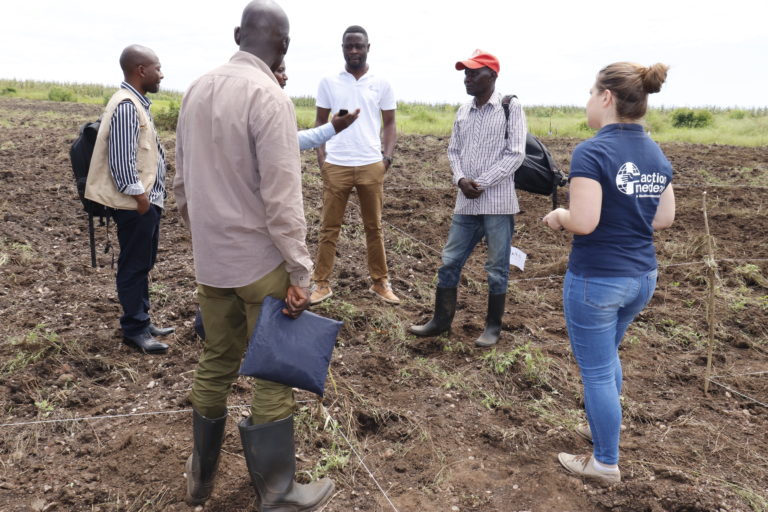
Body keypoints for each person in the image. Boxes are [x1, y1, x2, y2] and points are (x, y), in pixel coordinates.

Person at [174, 1, 334, 509]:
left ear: (238, 33)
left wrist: (203, 238)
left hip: (212, 261)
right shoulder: (270, 97)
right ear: (283, 46)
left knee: (217, 358)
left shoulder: (196, 89)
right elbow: (283, 199)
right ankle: (279, 491)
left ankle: (200, 480)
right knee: (272, 371)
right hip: (262, 263)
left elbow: (181, 183)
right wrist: (301, 270)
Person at [543, 62, 675, 484]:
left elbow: (584, 221)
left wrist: (559, 215)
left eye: (589, 93)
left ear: (606, 97)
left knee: (597, 371)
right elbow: (664, 217)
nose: (587, 103)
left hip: (597, 278)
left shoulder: (592, 151)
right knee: (607, 358)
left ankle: (603, 462)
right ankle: (604, 423)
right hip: (642, 278)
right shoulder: (654, 151)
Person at [409, 50, 526, 347]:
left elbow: (515, 154)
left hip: (498, 204)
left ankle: (492, 327)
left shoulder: (510, 107)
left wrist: (482, 183)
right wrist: (460, 179)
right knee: (449, 261)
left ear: (493, 75)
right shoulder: (463, 111)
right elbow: (453, 151)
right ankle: (441, 321)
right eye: (466, 73)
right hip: (466, 202)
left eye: (474, 73)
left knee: (496, 268)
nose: (467, 78)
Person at [84, 44, 174, 355]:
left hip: (144, 203)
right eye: (157, 67)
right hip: (135, 204)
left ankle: (142, 320)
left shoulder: (136, 103)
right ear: (141, 70)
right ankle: (134, 328)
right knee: (134, 266)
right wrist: (141, 199)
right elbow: (121, 162)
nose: (161, 74)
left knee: (141, 263)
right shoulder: (126, 106)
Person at [310, 25, 399, 305]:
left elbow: (390, 123)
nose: (354, 51)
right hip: (336, 164)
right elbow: (320, 121)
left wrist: (386, 158)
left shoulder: (381, 83)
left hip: (371, 164)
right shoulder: (329, 82)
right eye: (349, 46)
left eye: (359, 46)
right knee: (329, 227)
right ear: (343, 48)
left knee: (374, 227)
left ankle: (380, 282)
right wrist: (321, 158)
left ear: (368, 47)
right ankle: (321, 283)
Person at [274, 58, 360, 151]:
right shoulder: (274, 105)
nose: (286, 77)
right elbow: (289, 142)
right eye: (280, 71)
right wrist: (333, 127)